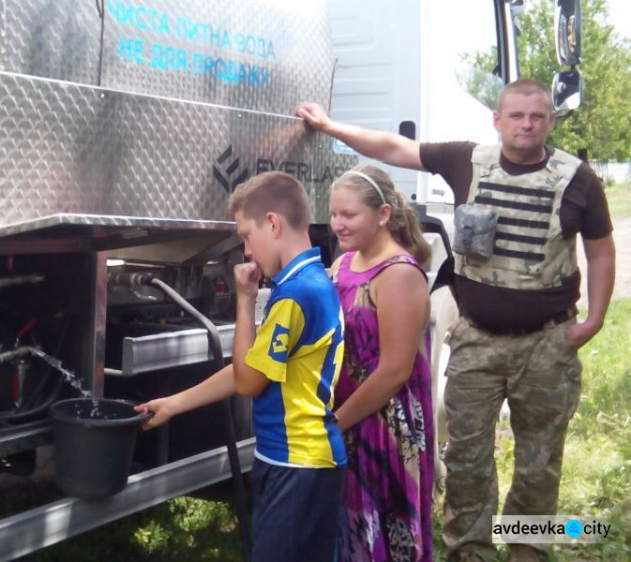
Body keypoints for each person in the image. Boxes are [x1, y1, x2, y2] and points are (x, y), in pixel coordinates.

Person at [296, 77, 616, 562]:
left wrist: (593, 320)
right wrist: (329, 125)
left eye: (537, 116)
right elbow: (395, 148)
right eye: (516, 115)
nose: (526, 124)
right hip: (477, 343)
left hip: (548, 344)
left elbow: (601, 249)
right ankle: (469, 551)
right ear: (498, 120)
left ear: (551, 121)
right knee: (466, 460)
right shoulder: (467, 159)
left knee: (540, 463)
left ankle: (528, 549)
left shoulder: (577, 179)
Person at [136, 171, 347, 562]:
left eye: (247, 236)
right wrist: (175, 403)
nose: (246, 251)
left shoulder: (296, 295)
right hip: (296, 461)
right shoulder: (305, 282)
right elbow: (252, 368)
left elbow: (248, 382)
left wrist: (245, 300)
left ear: (272, 223)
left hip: (297, 463)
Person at [328, 164, 434, 561]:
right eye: (334, 213)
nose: (338, 224)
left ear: (383, 214)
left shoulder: (398, 274)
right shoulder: (343, 265)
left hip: (386, 427)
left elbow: (393, 371)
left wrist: (335, 423)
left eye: (349, 214)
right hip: (348, 416)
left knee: (383, 536)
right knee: (349, 532)